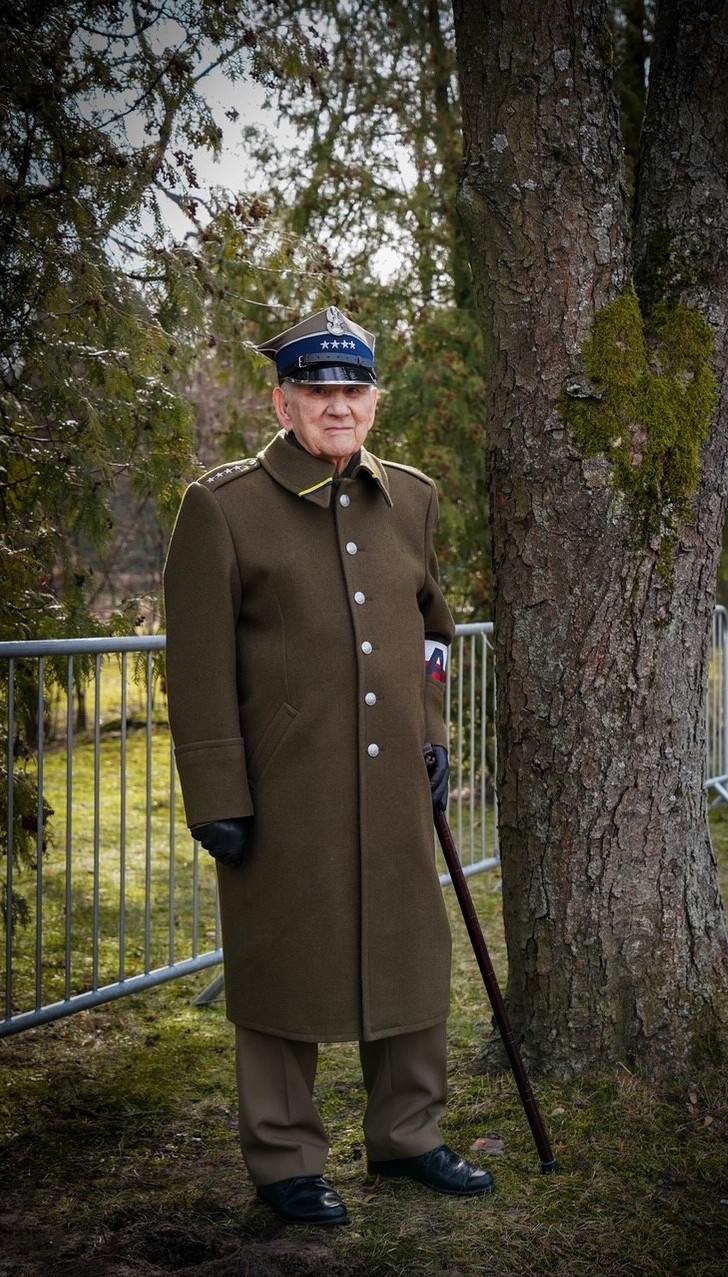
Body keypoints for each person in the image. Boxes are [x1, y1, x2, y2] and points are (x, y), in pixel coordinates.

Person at [163, 306, 494, 1226]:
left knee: (411, 951)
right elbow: (194, 666)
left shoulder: (413, 500)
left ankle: (409, 1135)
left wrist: (433, 732)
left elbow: (434, 633)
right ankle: (283, 1159)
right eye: (318, 391)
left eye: (353, 390)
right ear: (283, 400)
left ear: (374, 402)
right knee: (280, 966)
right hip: (284, 789)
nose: (338, 406)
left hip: (394, 782)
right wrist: (217, 791)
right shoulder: (222, 507)